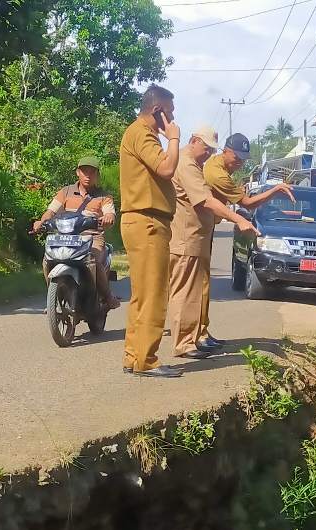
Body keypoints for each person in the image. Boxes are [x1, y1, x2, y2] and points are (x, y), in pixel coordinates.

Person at [168, 126, 258, 360]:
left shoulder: (195, 164)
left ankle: (195, 336)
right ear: (193, 140)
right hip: (186, 238)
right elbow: (205, 201)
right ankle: (184, 342)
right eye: (205, 148)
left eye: (211, 150)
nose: (208, 154)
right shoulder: (186, 164)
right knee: (185, 293)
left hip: (196, 237)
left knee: (196, 291)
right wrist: (237, 218)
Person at [202, 132, 295, 348]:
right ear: (225, 150)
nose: (240, 163)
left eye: (243, 159)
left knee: (203, 285)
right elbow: (248, 203)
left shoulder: (219, 166)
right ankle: (194, 337)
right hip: (198, 230)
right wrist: (276, 190)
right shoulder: (217, 174)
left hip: (205, 228)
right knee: (199, 286)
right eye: (237, 158)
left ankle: (200, 332)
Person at [118, 85, 181, 378]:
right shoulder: (142, 133)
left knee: (141, 295)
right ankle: (147, 360)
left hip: (142, 221)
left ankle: (134, 355)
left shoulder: (137, 132)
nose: (173, 117)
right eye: (170, 112)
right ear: (157, 111)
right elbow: (166, 168)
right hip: (147, 222)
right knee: (154, 294)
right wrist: (174, 138)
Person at [33, 156, 119, 310]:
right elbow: (50, 211)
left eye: (92, 172)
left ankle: (107, 296)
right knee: (47, 259)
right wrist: (41, 222)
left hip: (92, 237)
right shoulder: (65, 192)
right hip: (65, 237)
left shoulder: (104, 196)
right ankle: (54, 298)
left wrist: (108, 217)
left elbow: (110, 214)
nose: (88, 175)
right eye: (84, 171)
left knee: (94, 261)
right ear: (77, 172)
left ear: (97, 175)